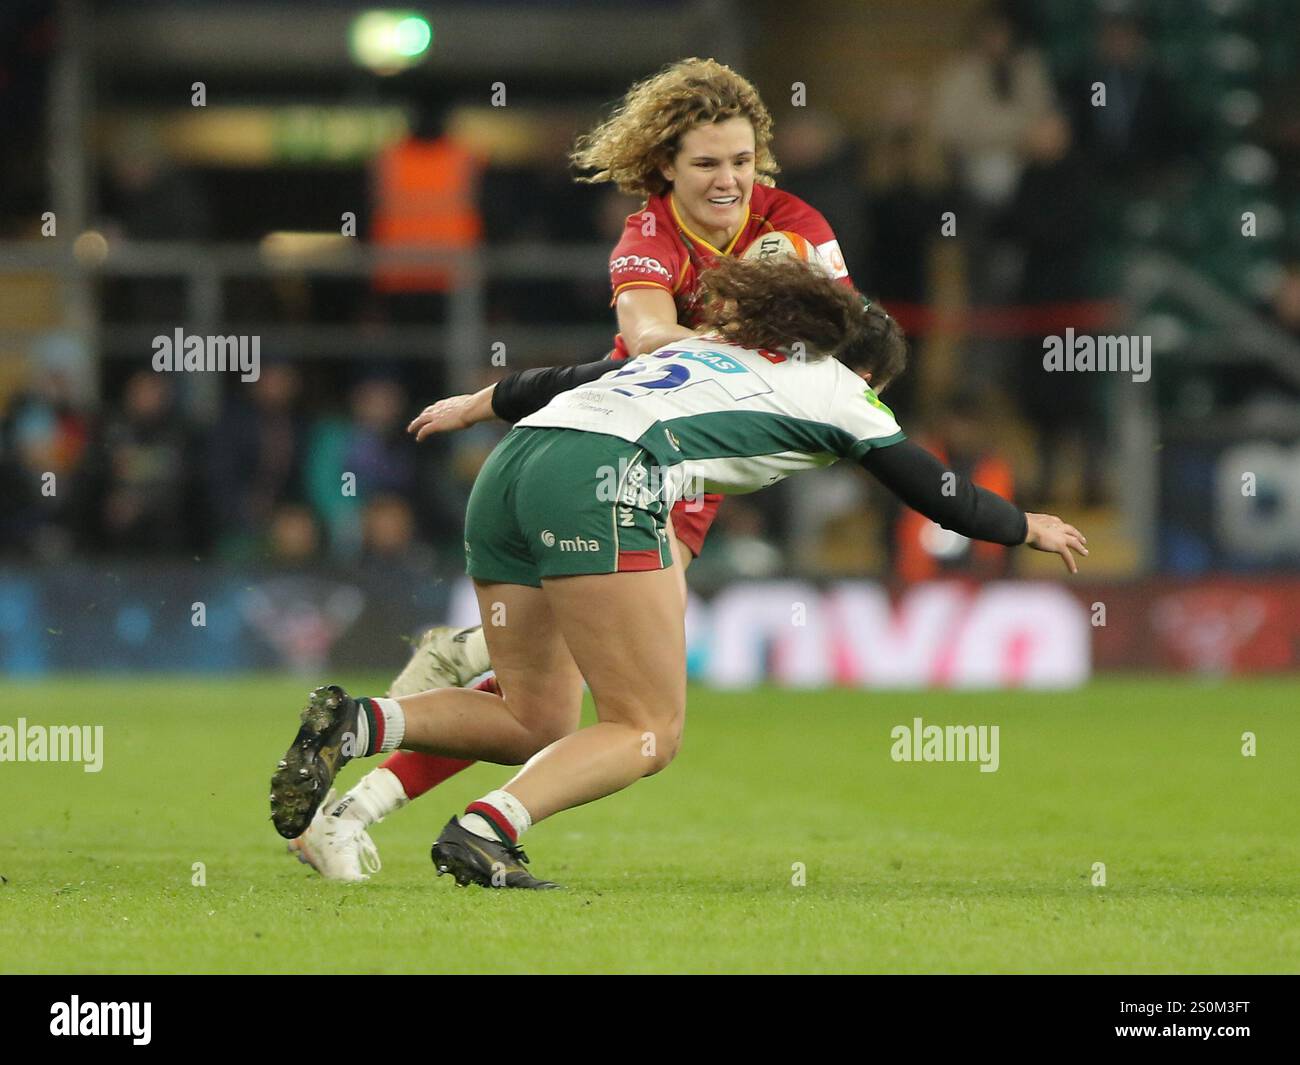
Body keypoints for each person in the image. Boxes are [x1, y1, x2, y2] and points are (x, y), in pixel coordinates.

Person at [269, 255, 1087, 888]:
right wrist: (1025, 525)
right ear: (868, 371)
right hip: (602, 476)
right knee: (648, 726)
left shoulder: (717, 350)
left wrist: (486, 400)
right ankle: (486, 830)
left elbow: (575, 377)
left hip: (513, 465)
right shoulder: (845, 393)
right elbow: (931, 488)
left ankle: (362, 722)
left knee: (536, 715)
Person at [290, 57, 863, 880]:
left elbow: (844, 336)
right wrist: (729, 345)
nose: (730, 179)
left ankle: (353, 798)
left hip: (672, 472)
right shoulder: (651, 236)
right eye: (707, 163)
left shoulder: (795, 222)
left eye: (742, 161)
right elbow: (645, 334)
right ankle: (435, 801)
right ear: (666, 164)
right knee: (623, 717)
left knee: (541, 706)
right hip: (630, 463)